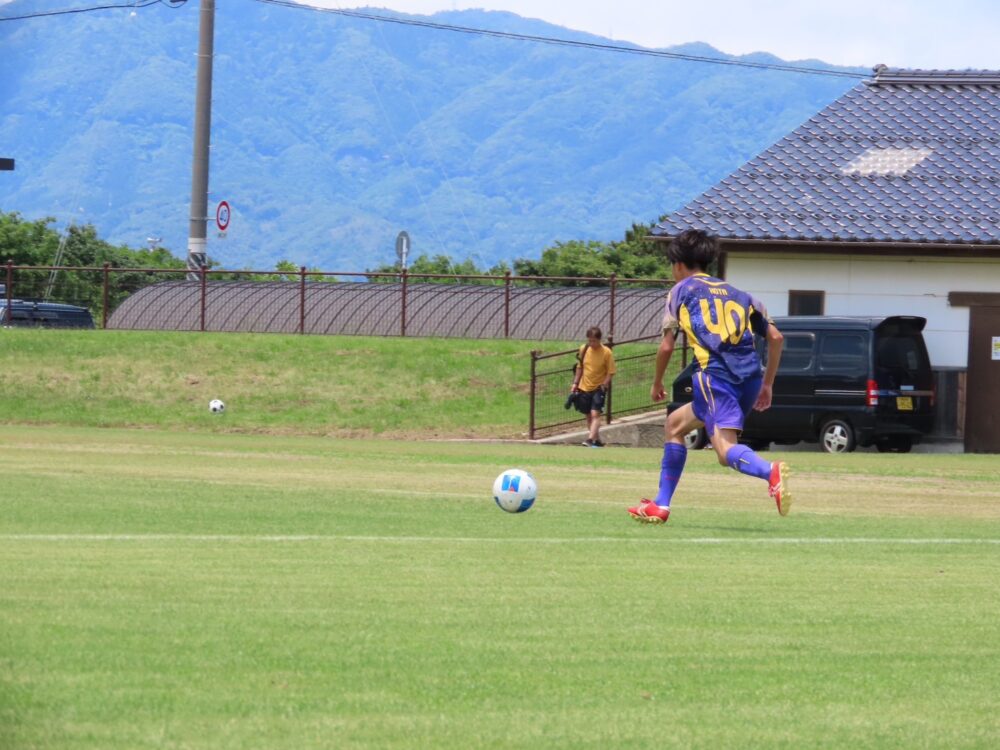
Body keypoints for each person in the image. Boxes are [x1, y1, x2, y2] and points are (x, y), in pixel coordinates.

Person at [628, 229, 791, 523]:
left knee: (725, 450)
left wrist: (657, 382)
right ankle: (661, 504)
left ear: (678, 265)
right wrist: (767, 384)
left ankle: (770, 472)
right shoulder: (742, 295)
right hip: (751, 378)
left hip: (715, 377)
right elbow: (776, 338)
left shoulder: (680, 291)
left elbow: (667, 346)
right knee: (675, 425)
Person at [569, 326, 616, 448]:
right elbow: (579, 367)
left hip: (598, 388)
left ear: (599, 340)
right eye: (589, 340)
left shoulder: (606, 352)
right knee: (588, 415)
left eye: (594, 341)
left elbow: (611, 372)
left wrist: (604, 385)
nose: (591, 343)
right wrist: (575, 383)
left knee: (595, 414)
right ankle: (596, 440)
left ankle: (590, 439)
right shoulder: (584, 349)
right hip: (584, 387)